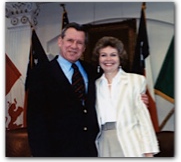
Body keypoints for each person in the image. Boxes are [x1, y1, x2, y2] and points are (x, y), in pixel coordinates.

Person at [27, 22, 149, 157]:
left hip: (94, 150)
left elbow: (111, 95)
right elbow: (36, 123)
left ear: (84, 47)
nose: (74, 46)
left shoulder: (92, 71)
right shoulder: (41, 74)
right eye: (70, 40)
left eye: (79, 43)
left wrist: (136, 99)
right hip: (59, 153)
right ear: (60, 42)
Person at [92, 36, 159, 157]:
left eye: (113, 55)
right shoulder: (94, 86)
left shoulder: (136, 81)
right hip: (104, 144)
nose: (108, 59)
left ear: (120, 57)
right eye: (103, 55)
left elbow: (143, 119)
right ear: (98, 58)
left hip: (131, 143)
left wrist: (149, 151)